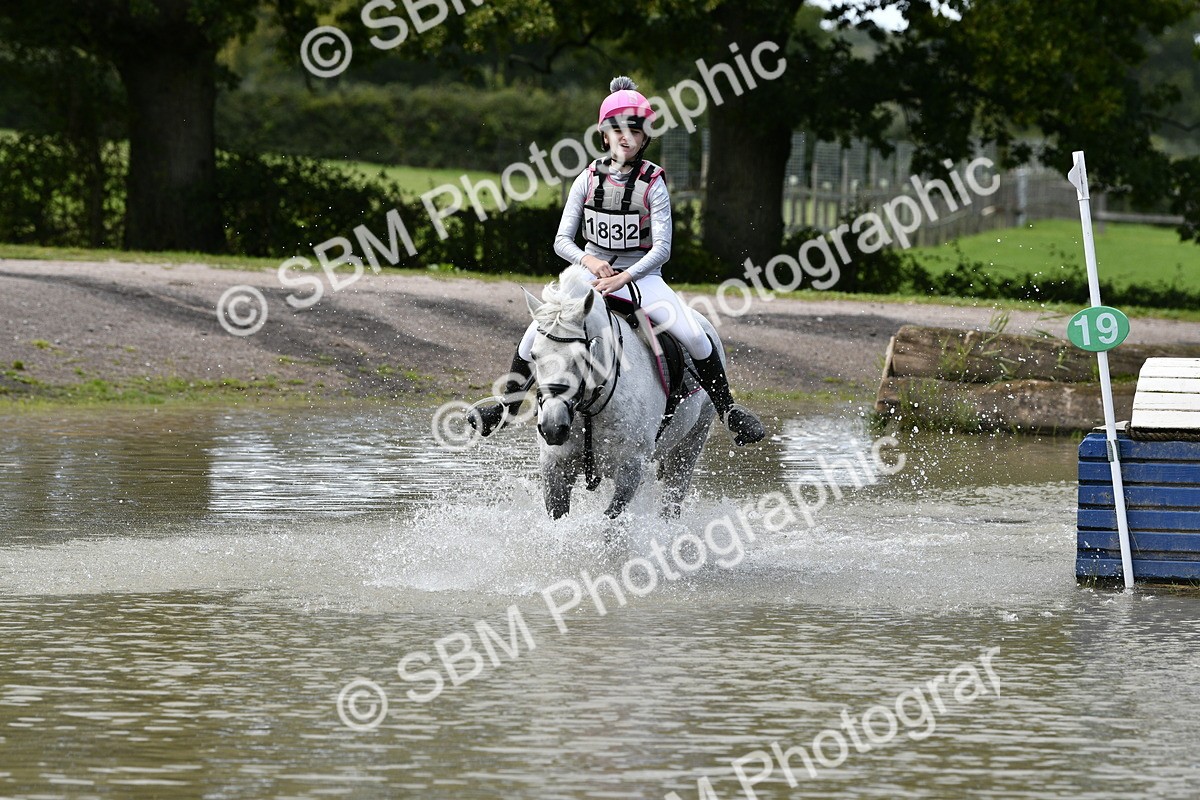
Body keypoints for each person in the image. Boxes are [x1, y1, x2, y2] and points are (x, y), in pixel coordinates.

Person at [469, 76, 765, 446]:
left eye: (636, 132)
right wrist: (589, 262)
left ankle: (728, 410)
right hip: (588, 273)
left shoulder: (653, 182)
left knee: (694, 334)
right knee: (538, 330)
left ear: (645, 138)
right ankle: (507, 406)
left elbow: (662, 250)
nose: (627, 138)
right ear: (604, 135)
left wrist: (624, 277)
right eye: (618, 130)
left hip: (642, 276)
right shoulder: (586, 179)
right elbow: (562, 241)